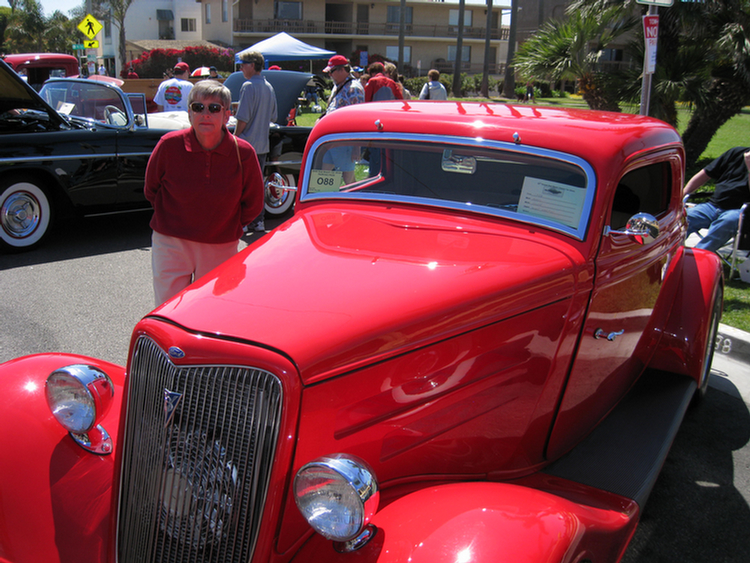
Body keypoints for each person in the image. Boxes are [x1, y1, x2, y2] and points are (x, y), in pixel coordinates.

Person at [144, 80, 264, 306]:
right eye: (198, 107)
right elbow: (151, 189)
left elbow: (254, 202)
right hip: (171, 243)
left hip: (221, 245)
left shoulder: (243, 153)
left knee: (212, 308)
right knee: (169, 308)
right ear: (189, 113)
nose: (205, 114)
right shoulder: (169, 145)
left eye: (214, 108)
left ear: (227, 115)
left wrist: (226, 226)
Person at [234, 51, 278, 232]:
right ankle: (258, 221)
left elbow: (242, 118)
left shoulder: (248, 86)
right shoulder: (269, 87)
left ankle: (245, 221)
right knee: (258, 183)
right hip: (262, 144)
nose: (241, 68)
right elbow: (274, 116)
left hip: (246, 144)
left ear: (252, 65)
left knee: (242, 184)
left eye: (243, 64)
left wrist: (234, 137)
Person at [684, 147, 750, 252]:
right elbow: (704, 174)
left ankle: (697, 257)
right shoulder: (736, 153)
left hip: (741, 212)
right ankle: (669, 256)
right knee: (683, 218)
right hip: (713, 206)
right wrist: (682, 195)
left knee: (727, 222)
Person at [320, 54, 365, 183]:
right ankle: (326, 200)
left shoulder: (354, 89)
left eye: (332, 71)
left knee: (348, 178)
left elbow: (359, 119)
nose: (330, 75)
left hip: (345, 141)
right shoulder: (338, 86)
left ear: (342, 70)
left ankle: (356, 201)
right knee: (325, 174)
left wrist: (357, 146)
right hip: (331, 139)